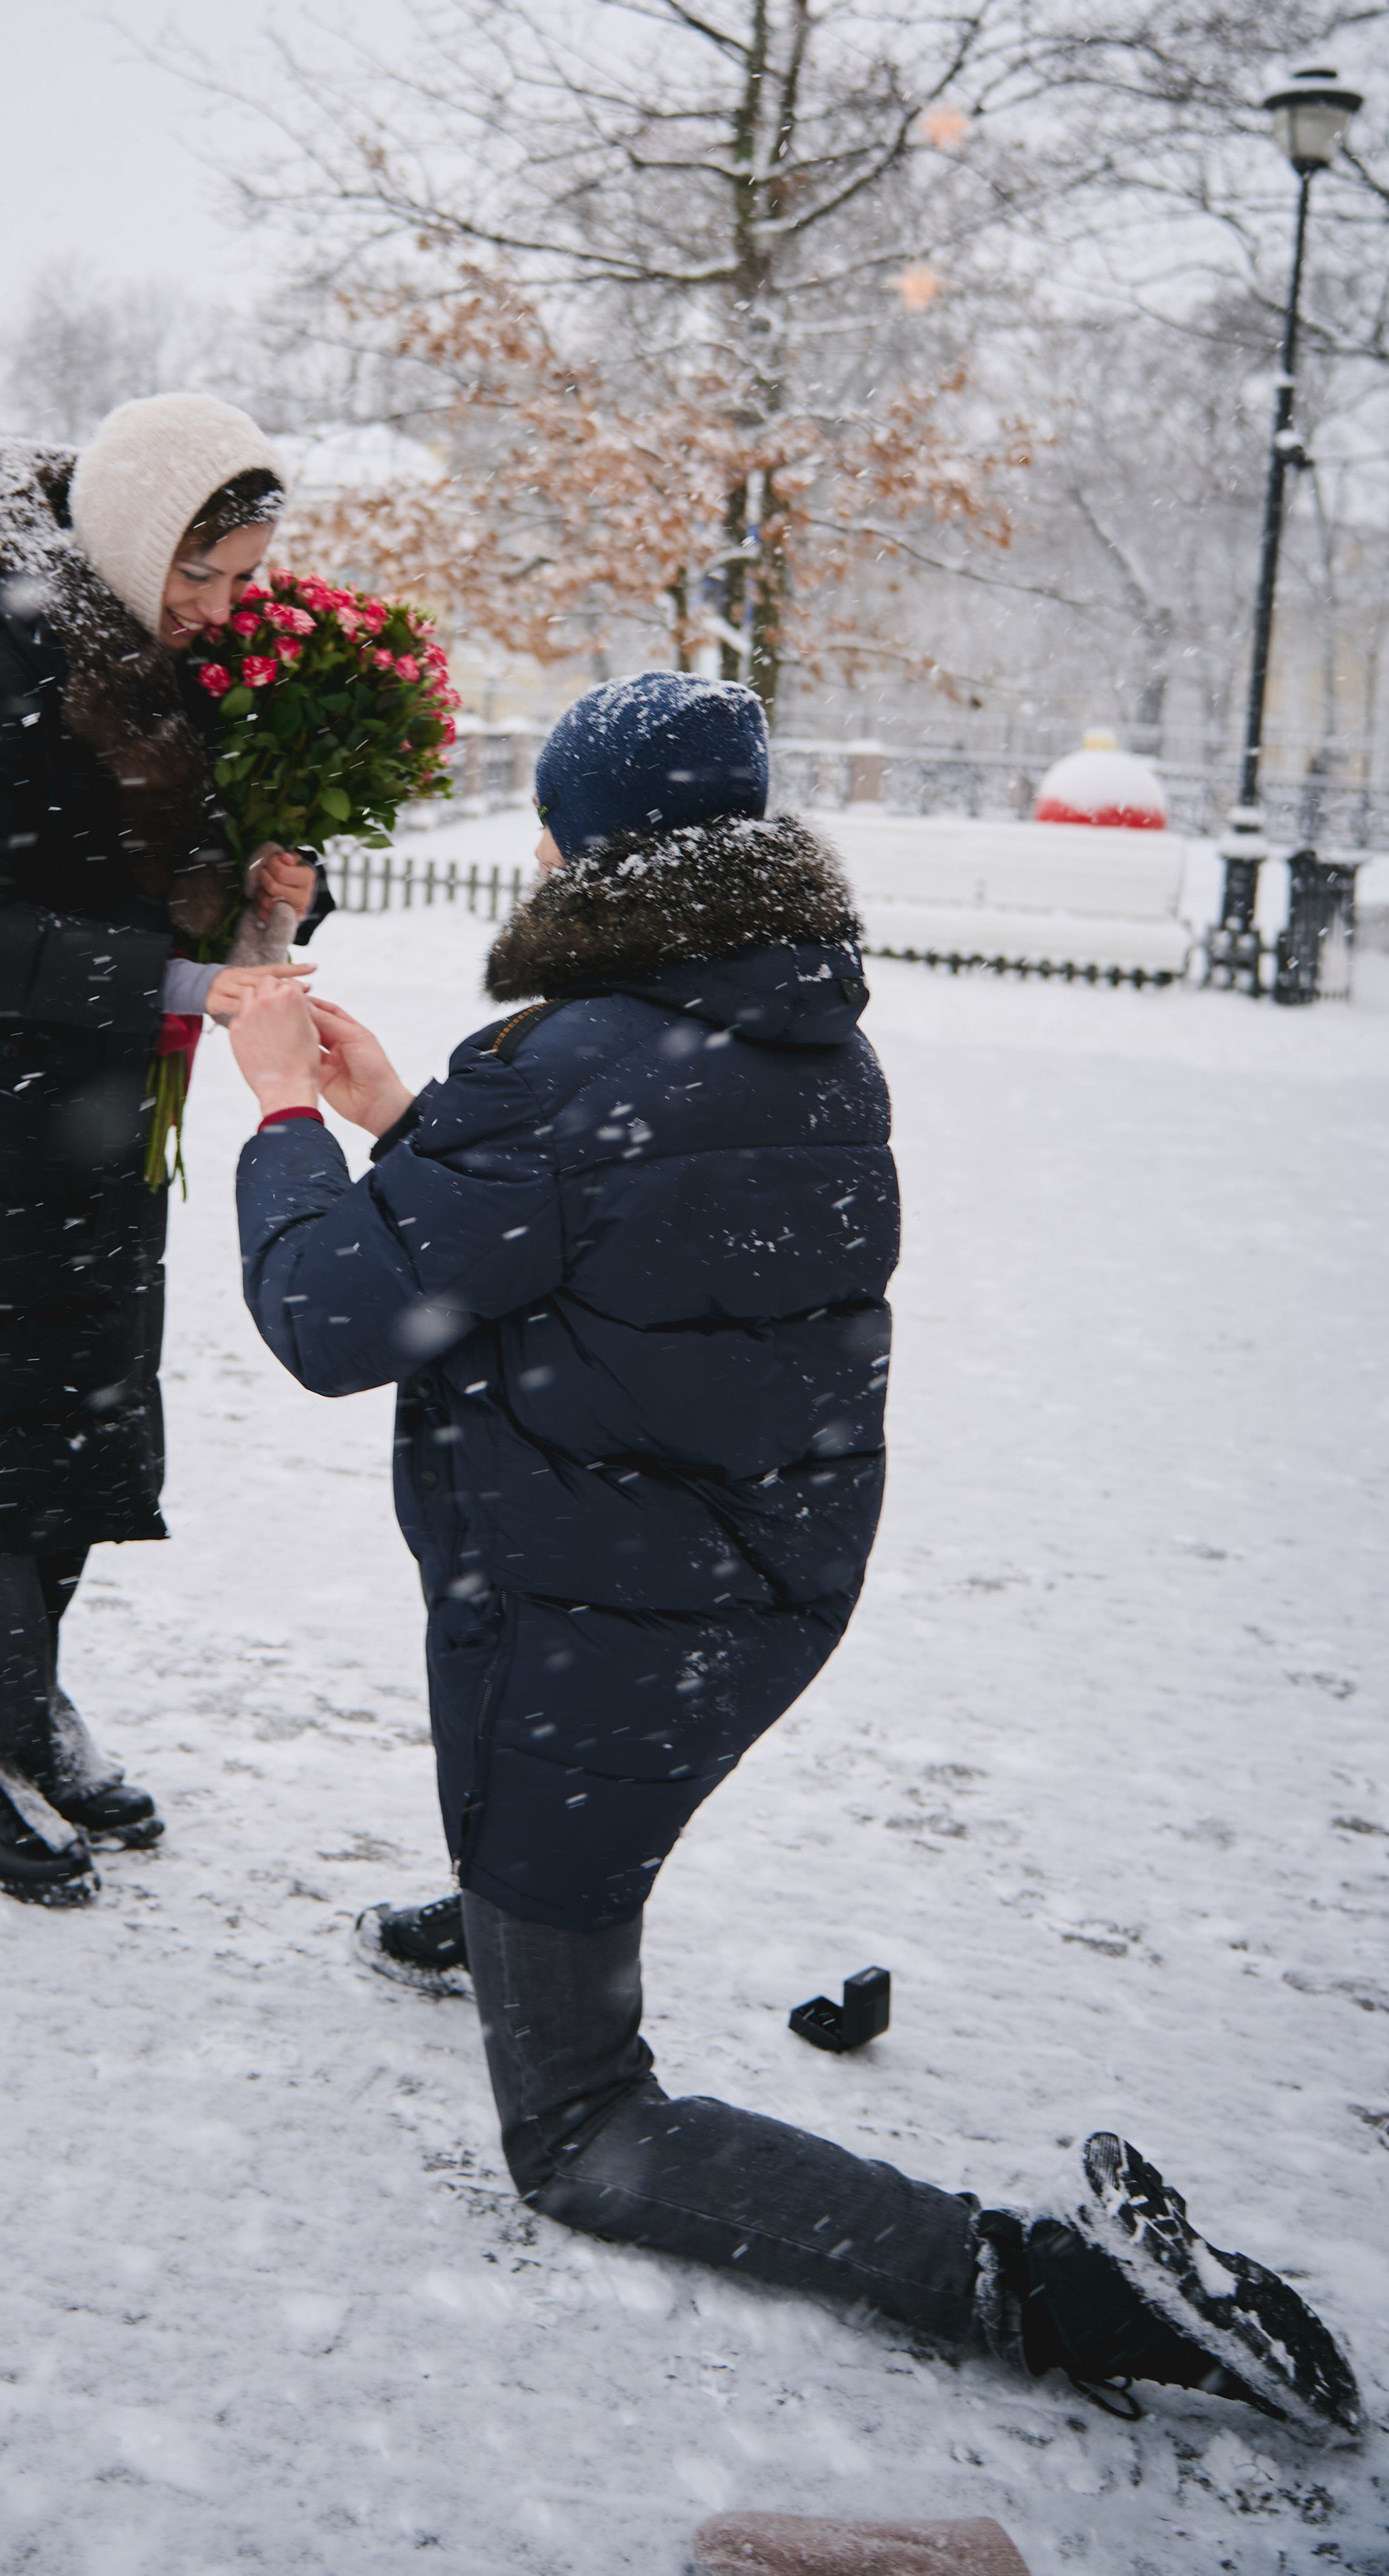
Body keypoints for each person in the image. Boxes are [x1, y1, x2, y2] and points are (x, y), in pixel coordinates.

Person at [221, 669, 1360, 2437]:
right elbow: (618, 1224)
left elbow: (326, 1315)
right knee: (541, 1758)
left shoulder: (563, 1066)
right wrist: (406, 1122)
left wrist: (286, 1115)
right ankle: (515, 1904)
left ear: (581, 845)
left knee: (582, 2134)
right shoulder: (797, 1033)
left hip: (604, 1602)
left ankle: (1043, 2286)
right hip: (749, 1580)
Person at [0, 393, 326, 1907]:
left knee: (76, 1428)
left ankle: (25, 1704)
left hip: (100, 1114)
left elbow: (166, 888)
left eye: (236, 579)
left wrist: (266, 898)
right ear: (128, 535)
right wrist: (176, 985)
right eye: (203, 572)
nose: (220, 606)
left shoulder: (165, 677)